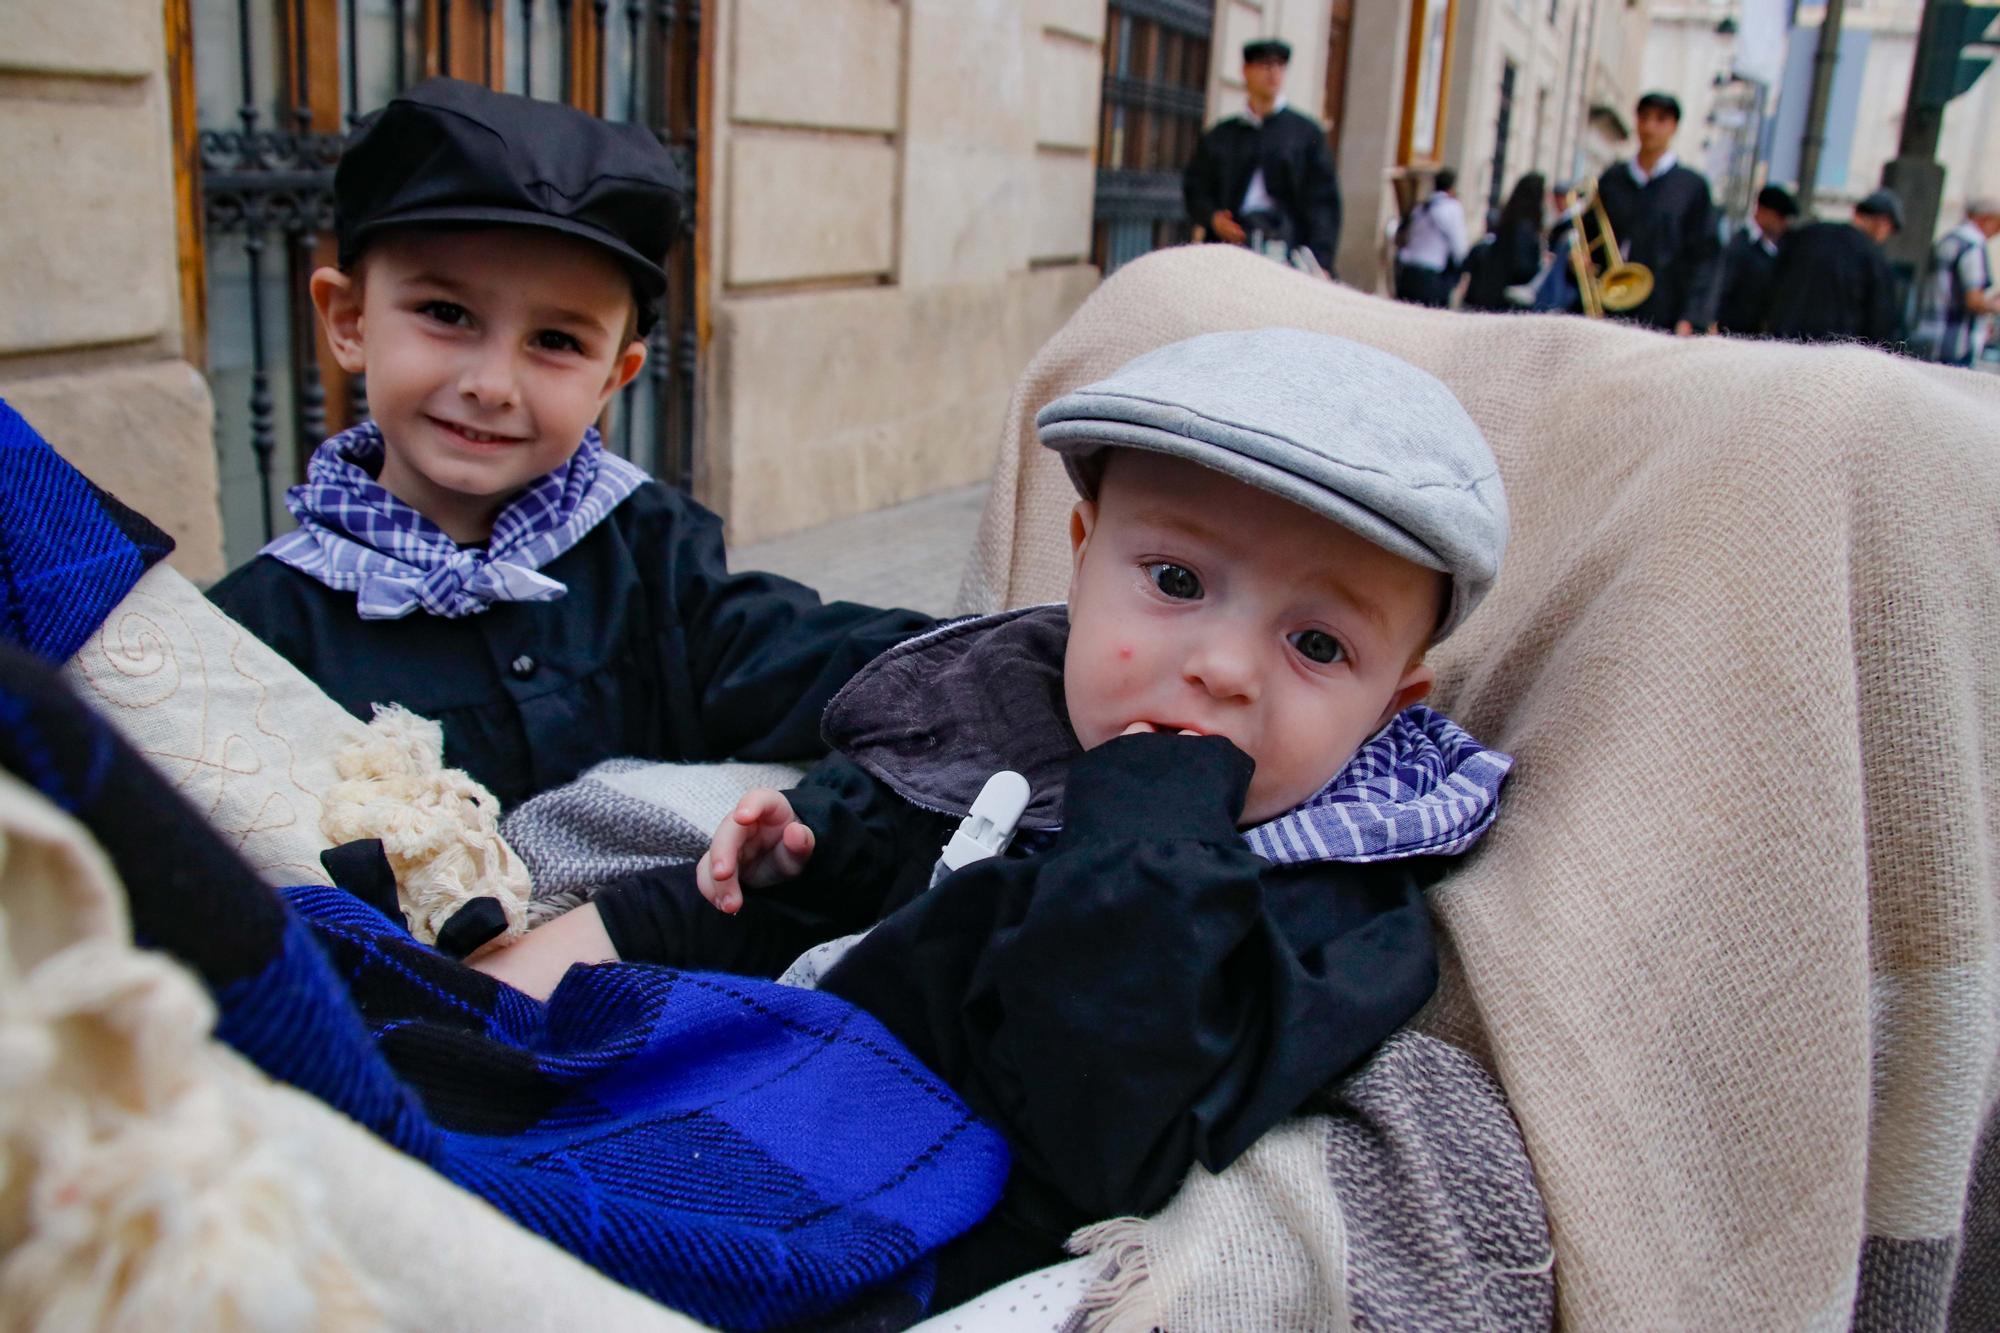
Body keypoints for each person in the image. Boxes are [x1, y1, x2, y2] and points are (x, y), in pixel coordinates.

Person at [476, 328, 1515, 1296]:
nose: (1220, 667)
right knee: (478, 1029)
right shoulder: (1002, 703)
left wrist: (1152, 820)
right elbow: (893, 834)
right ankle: (459, 1014)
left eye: (1318, 645)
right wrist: (809, 855)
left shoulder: (1340, 904)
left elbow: (1103, 1122)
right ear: (1078, 556)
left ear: (1391, 704)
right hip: (762, 1089)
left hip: (919, 1234)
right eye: (1172, 578)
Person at [207, 79, 931, 812]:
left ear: (613, 377)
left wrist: (1007, 654)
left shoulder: (653, 550)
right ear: (350, 320)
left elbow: (797, 656)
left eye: (555, 340)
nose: (492, 384)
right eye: (446, 313)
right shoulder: (251, 640)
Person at [1182, 39, 1343, 275]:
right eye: (1265, 65)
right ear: (1246, 71)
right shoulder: (1221, 135)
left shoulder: (1306, 133)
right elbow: (1196, 188)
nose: (1273, 73)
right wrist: (1214, 219)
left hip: (1289, 252)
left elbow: (1323, 202)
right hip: (1231, 248)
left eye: (1279, 66)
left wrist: (1321, 261)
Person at [1592, 91, 1720, 334]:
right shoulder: (1614, 179)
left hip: (1665, 313)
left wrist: (1692, 316)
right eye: (1644, 118)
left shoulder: (1691, 187)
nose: (1650, 127)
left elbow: (1705, 256)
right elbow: (1591, 236)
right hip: (1610, 309)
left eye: (1660, 120)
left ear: (1673, 127)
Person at [1759, 189, 1904, 348]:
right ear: (1883, 222)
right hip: (1834, 361)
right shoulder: (1874, 260)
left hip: (1781, 348)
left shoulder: (1804, 237)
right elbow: (1880, 326)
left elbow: (1767, 288)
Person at [1910, 197, 2000, 366]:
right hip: (1955, 340)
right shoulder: (1973, 245)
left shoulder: (1947, 239)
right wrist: (1994, 306)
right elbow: (1973, 300)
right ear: (1986, 219)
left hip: (1927, 333)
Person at [1711, 184, 1799, 335]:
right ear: (1763, 212)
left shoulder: (1787, 246)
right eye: (1780, 218)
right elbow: (1723, 286)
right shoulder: (1740, 245)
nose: (1784, 224)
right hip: (1734, 330)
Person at [1462, 172, 1547, 312]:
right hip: (1507, 294)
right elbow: (1522, 266)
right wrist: (1540, 267)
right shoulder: (1525, 225)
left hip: (1493, 288)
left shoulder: (1510, 217)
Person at [1394, 168, 1472, 308]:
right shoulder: (1452, 208)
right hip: (1431, 277)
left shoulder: (1419, 207)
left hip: (1408, 273)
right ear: (1451, 187)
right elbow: (1459, 245)